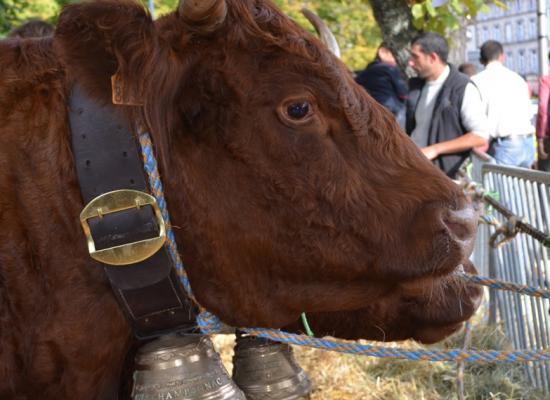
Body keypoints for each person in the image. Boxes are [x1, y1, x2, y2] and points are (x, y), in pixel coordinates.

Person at [406, 32, 489, 178]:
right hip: (415, 171)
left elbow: (480, 136)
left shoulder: (462, 88)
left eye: (415, 57)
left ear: (432, 58)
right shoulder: (415, 87)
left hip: (445, 177)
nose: (410, 63)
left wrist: (435, 150)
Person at [471, 40, 535, 168]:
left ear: (481, 60)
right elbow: (529, 113)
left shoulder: (476, 81)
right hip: (527, 143)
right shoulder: (518, 79)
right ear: (502, 57)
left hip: (503, 146)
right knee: (524, 187)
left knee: (501, 188)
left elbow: (476, 118)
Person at [355, 43, 408, 128]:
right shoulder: (389, 69)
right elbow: (403, 94)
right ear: (382, 53)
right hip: (393, 111)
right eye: (394, 57)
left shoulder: (365, 73)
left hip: (372, 113)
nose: (396, 63)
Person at [535, 52, 550, 172]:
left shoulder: (546, 81)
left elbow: (542, 108)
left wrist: (540, 138)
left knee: (545, 179)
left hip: (548, 138)